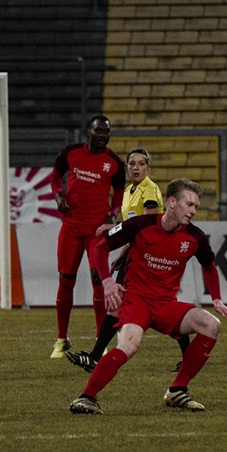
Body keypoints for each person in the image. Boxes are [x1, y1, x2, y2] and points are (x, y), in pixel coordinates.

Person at [68, 178, 227, 415]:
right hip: (136, 301)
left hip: (166, 305)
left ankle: (177, 390)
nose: (193, 211)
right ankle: (86, 397)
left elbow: (209, 265)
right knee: (130, 345)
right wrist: (107, 281)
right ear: (172, 202)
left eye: (196, 207)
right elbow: (100, 248)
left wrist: (217, 299)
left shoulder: (195, 237)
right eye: (189, 204)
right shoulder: (140, 225)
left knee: (211, 325)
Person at [64, 148, 191, 373]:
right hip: (137, 254)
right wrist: (123, 254)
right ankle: (95, 357)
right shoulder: (130, 192)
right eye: (132, 163)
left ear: (148, 168)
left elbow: (147, 223)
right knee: (119, 303)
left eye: (141, 163)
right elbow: (134, 229)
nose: (136, 167)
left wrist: (113, 228)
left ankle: (95, 357)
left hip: (152, 256)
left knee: (162, 308)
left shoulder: (149, 189)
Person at [48, 115, 127, 359]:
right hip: (71, 229)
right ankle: (61, 339)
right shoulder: (71, 152)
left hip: (96, 232)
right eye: (99, 131)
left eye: (106, 132)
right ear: (89, 132)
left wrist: (114, 213)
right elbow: (55, 176)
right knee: (65, 281)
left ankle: (99, 342)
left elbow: (119, 191)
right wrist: (58, 196)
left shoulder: (115, 163)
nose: (103, 136)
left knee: (99, 283)